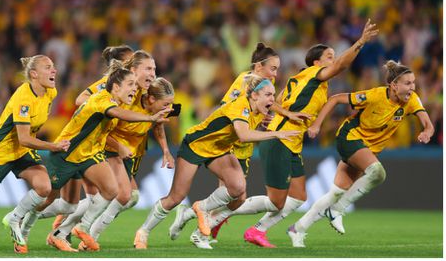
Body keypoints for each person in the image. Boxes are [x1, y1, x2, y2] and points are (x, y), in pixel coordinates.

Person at [226, 18, 379, 248]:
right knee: (276, 201)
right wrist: (361, 42)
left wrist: (287, 115)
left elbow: (275, 102)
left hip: (292, 143)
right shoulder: (313, 74)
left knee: (298, 197)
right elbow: (340, 66)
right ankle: (218, 216)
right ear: (316, 63)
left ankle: (255, 230)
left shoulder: (306, 83)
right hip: (281, 140)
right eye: (329, 56)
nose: (333, 60)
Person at [133, 74, 301, 249]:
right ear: (254, 95)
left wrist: (283, 115)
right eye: (268, 95)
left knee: (238, 189)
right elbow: (243, 136)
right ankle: (143, 232)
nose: (272, 100)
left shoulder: (258, 109)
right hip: (196, 145)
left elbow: (251, 123)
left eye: (273, 95)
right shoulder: (240, 107)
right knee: (176, 197)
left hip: (219, 149)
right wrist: (276, 134)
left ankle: (201, 209)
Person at [168, 42, 310, 249]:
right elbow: (230, 110)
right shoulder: (245, 81)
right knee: (234, 194)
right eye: (273, 68)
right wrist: (265, 120)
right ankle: (201, 231)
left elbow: (249, 112)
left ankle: (190, 215)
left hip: (244, 146)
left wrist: (257, 119)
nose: (275, 74)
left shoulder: (261, 88)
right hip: (230, 145)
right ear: (259, 66)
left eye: (277, 69)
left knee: (235, 200)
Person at [22, 61, 171, 253]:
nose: (152, 74)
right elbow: (93, 105)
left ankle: (71, 230)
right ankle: (20, 219)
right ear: (130, 73)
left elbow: (145, 120)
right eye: (148, 69)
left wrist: (163, 146)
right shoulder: (106, 97)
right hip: (74, 151)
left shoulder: (133, 95)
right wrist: (129, 137)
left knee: (101, 196)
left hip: (95, 153)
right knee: (54, 199)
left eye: (154, 69)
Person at [287, 60, 434, 247]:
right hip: (349, 138)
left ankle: (297, 229)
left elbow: (428, 124)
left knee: (335, 193)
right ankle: (337, 210)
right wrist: (316, 125)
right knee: (378, 173)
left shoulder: (412, 99)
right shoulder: (374, 96)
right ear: (394, 85)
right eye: (407, 83)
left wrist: (426, 132)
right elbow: (335, 99)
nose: (412, 88)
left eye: (413, 83)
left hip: (366, 148)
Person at [19, 45, 135, 244]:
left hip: (90, 153)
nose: (138, 71)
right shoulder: (105, 91)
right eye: (133, 64)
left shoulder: (128, 92)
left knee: (94, 197)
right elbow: (82, 100)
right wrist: (148, 119)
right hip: (70, 150)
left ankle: (69, 231)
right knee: (61, 202)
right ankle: (22, 220)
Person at [0, 55, 70, 254]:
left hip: (22, 151)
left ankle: (14, 218)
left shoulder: (50, 93)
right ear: (34, 74)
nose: (54, 70)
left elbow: (26, 140)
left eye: (53, 67)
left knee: (44, 187)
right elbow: (24, 138)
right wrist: (54, 146)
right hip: (1, 151)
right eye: (48, 67)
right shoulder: (23, 98)